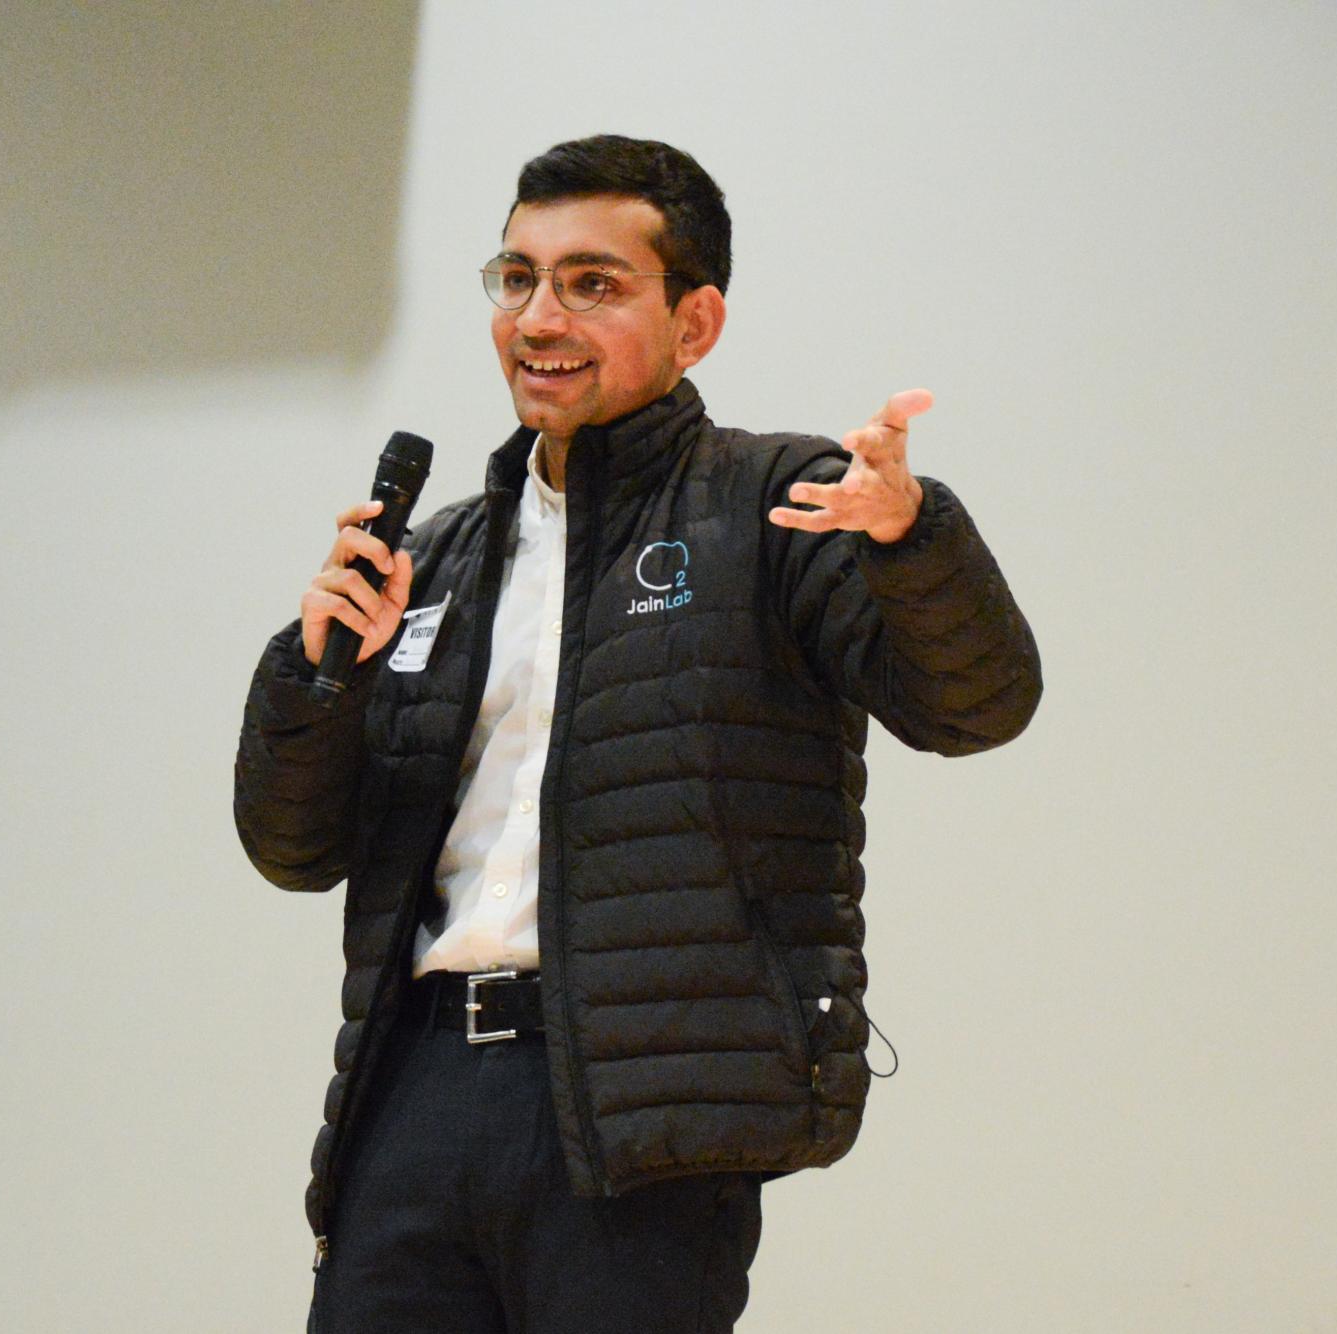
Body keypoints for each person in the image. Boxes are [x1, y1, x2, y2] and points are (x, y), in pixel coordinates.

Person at [234, 134, 1041, 1333]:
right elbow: (295, 849)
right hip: (415, 1092)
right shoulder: (439, 556)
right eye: (517, 277)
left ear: (695, 321)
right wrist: (316, 675)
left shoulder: (779, 504)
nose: (538, 316)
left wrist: (911, 539)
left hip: (638, 1111)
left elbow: (977, 702)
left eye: (593, 283)